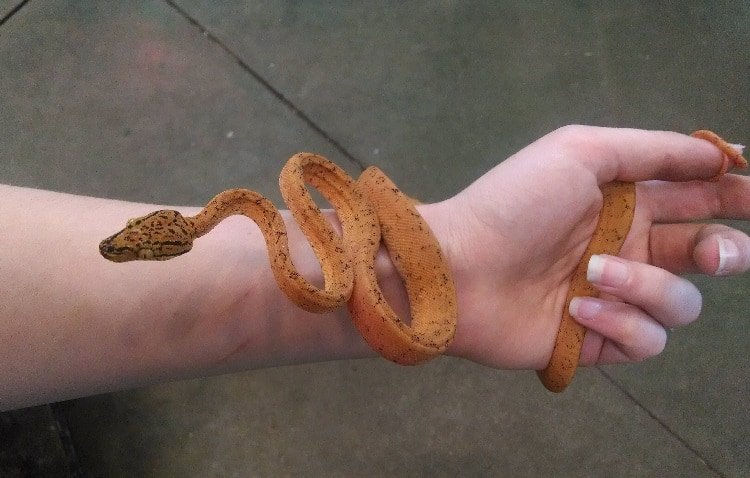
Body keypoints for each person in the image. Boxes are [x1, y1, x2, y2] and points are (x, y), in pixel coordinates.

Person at [1, 125, 748, 411]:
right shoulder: (257, 211)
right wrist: (446, 256)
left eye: (138, 241)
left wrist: (457, 249)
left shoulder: (260, 208)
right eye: (142, 244)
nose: (133, 243)